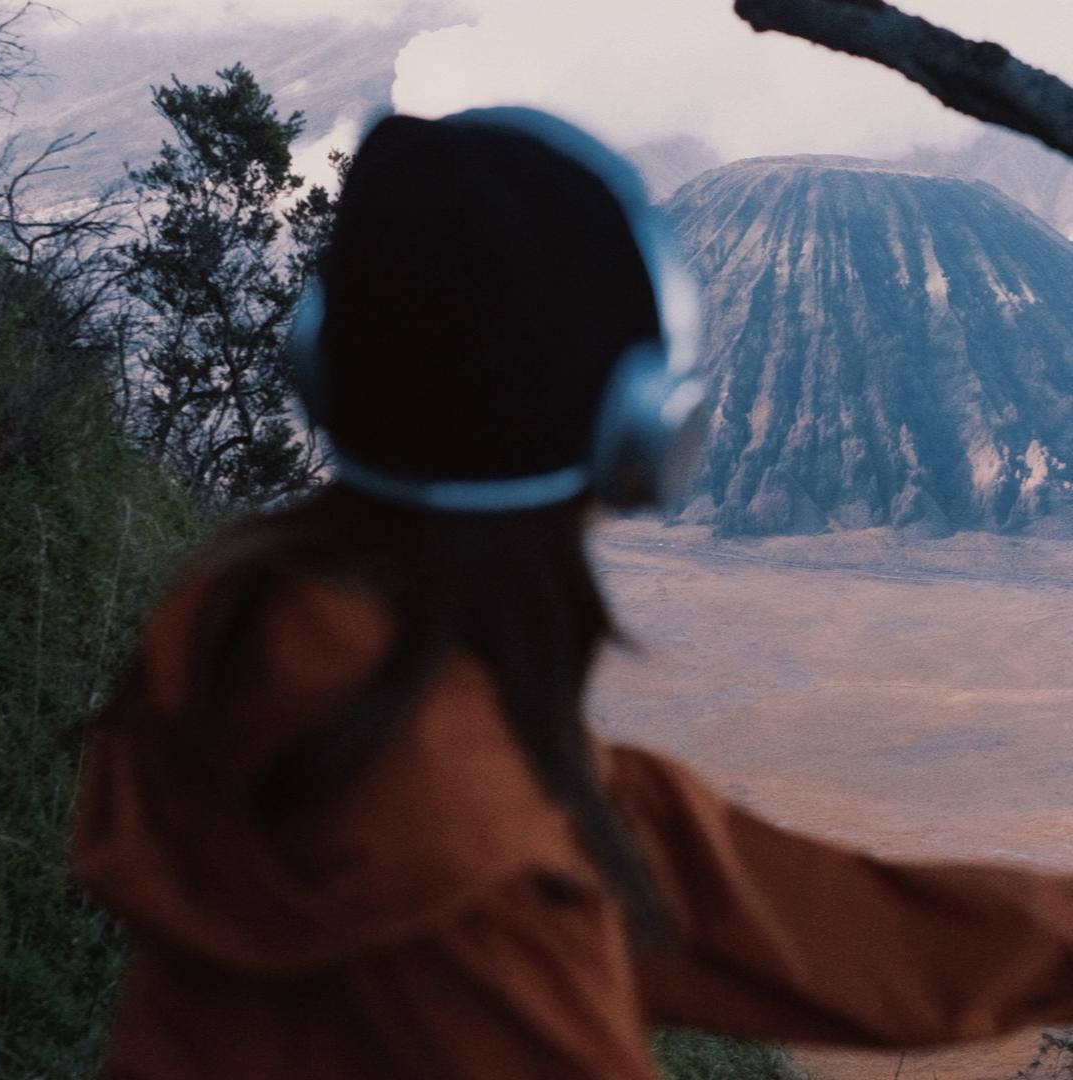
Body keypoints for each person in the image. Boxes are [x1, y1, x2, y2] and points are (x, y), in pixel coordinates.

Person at [73, 107, 1073, 1080]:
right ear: (636, 433)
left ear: (323, 372)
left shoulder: (286, 672)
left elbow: (803, 919)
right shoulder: (474, 883)